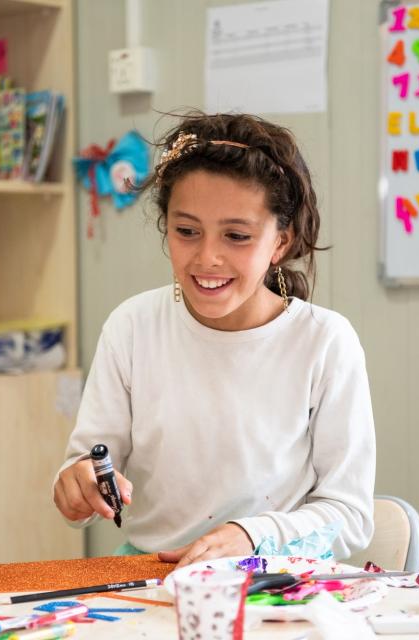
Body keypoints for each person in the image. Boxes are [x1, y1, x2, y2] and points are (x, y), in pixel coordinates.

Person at [53, 112, 375, 568]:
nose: (207, 257)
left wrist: (251, 535)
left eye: (237, 236)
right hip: (149, 575)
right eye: (187, 231)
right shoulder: (132, 325)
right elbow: (88, 463)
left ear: (280, 243)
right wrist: (76, 484)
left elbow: (351, 515)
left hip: (270, 579)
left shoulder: (325, 342)